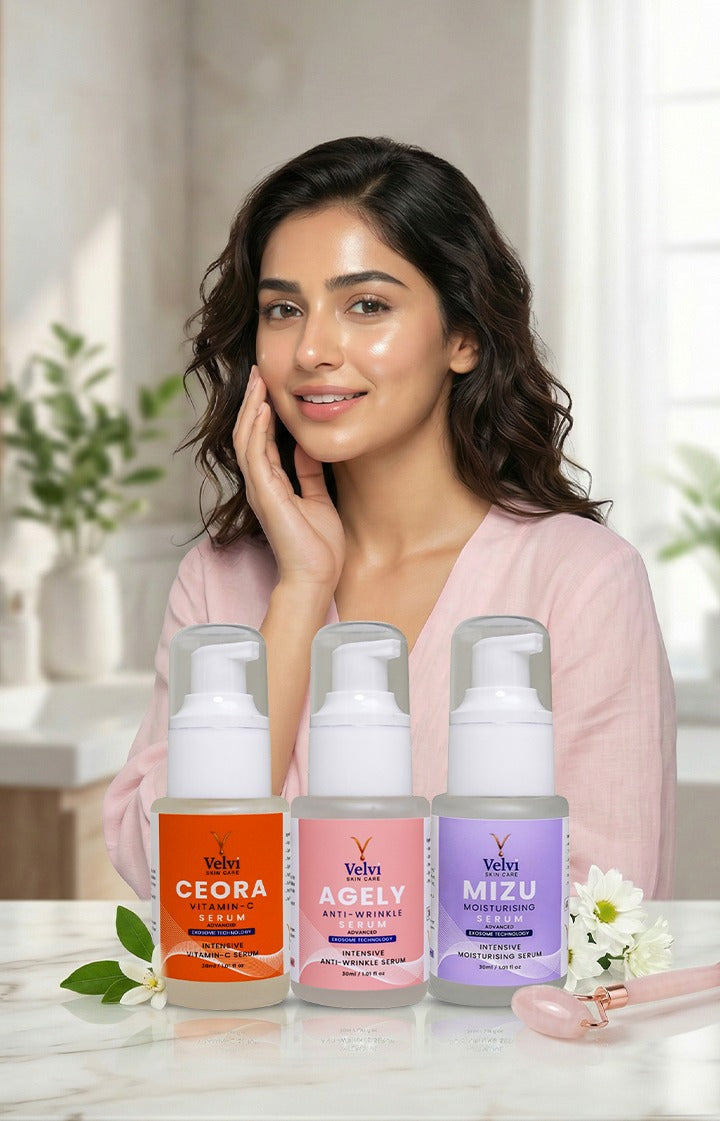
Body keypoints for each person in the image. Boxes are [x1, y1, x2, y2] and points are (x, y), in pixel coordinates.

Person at [103, 136, 676, 901]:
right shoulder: (221, 580)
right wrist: (302, 591)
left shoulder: (583, 581)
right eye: (283, 309)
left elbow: (608, 901)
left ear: (463, 336)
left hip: (490, 1024)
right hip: (240, 1023)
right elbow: (167, 872)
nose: (312, 349)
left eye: (366, 305)